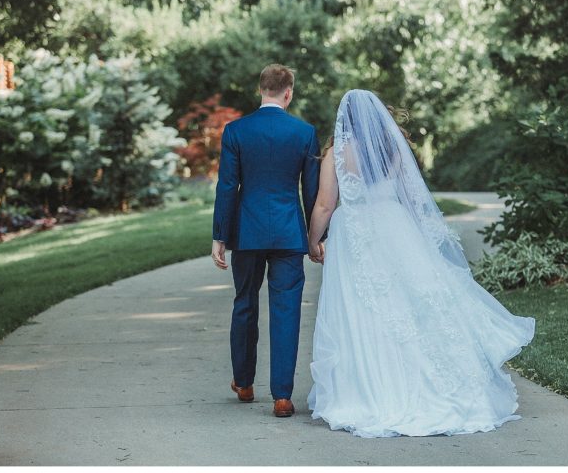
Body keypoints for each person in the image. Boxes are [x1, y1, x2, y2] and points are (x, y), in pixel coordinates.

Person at [306, 90, 534, 438]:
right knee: (412, 307)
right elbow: (412, 197)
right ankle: (434, 383)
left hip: (355, 233)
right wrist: (421, 240)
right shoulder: (394, 148)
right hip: (395, 226)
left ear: (344, 119)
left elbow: (324, 205)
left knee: (365, 312)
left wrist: (312, 241)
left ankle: (373, 389)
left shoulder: (336, 154)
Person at [211, 65, 319, 418]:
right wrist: (317, 238)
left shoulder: (236, 131)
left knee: (244, 302)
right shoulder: (304, 133)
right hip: (289, 233)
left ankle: (243, 383)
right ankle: (283, 396)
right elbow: (312, 192)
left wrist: (220, 236)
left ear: (261, 91)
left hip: (247, 232)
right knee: (287, 310)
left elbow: (227, 186)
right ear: (288, 93)